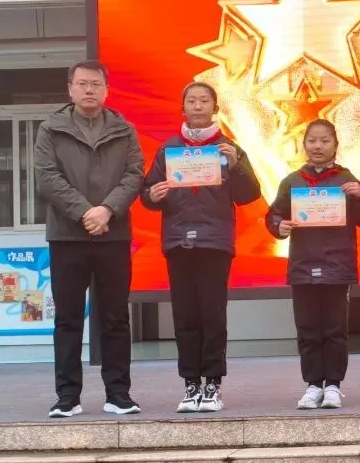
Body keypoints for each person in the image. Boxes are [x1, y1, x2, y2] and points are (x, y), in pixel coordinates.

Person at [140, 82, 262, 413]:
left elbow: (250, 194)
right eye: (191, 101)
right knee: (185, 315)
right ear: (183, 108)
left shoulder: (228, 149)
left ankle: (213, 385)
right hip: (178, 241)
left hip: (214, 242)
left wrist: (236, 166)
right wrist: (152, 195)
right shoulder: (169, 149)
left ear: (215, 108)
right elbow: (148, 192)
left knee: (212, 314)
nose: (197, 106)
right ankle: (190, 384)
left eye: (204, 100)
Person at [34, 59, 144, 418]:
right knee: (68, 318)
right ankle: (67, 397)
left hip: (113, 235)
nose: (89, 90)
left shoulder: (124, 129)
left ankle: (119, 394)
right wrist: (85, 212)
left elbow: (134, 175)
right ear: (70, 89)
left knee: (115, 317)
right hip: (67, 236)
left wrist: (107, 210)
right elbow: (47, 177)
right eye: (82, 84)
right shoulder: (51, 128)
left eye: (96, 84)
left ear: (106, 90)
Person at [265, 119, 360, 410]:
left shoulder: (346, 179)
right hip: (303, 266)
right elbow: (273, 215)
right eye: (312, 141)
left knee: (334, 329)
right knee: (308, 328)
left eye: (325, 141)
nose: (318, 146)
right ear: (303, 145)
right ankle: (313, 385)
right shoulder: (292, 181)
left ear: (336, 145)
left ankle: (334, 386)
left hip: (337, 267)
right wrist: (279, 226)